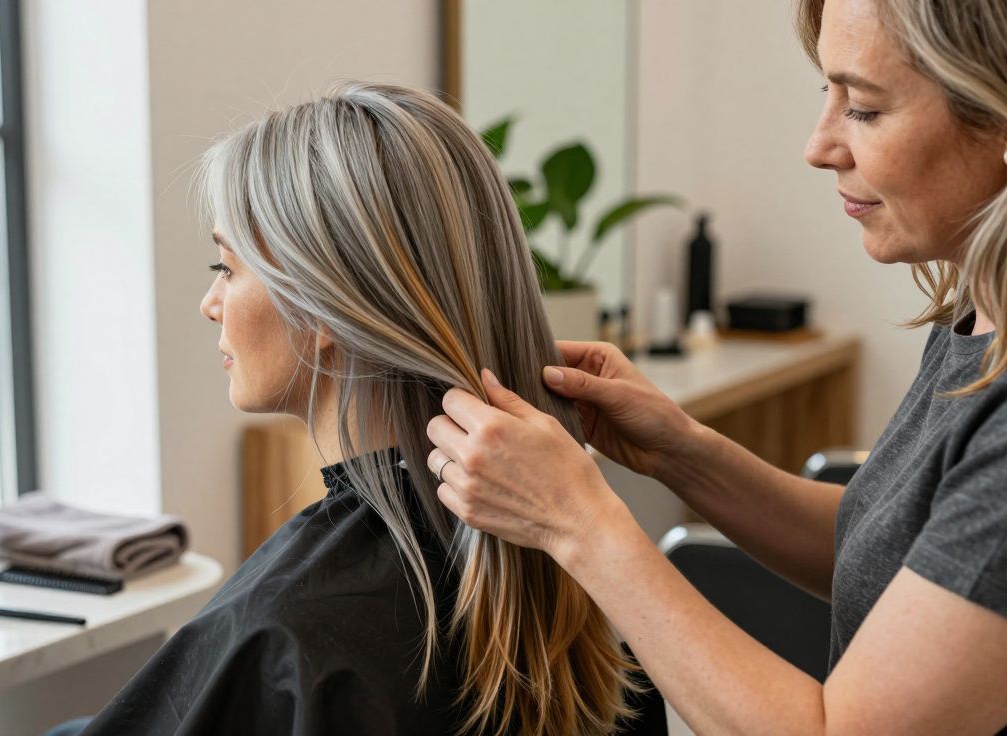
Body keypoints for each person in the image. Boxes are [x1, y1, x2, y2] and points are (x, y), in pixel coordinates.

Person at [426, 0, 1007, 733]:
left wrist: (579, 523)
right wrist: (682, 452)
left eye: (861, 107)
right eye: (825, 96)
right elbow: (901, 555)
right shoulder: (979, 317)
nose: (819, 144)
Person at [75, 83, 666, 735]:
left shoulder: (298, 628)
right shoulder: (580, 576)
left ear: (319, 302)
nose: (210, 303)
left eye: (226, 267)